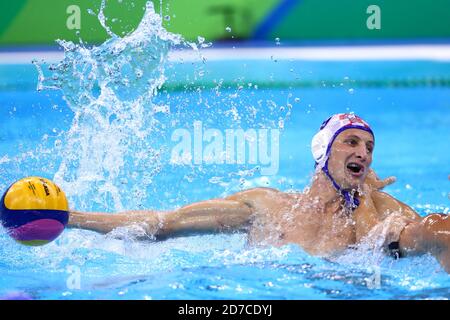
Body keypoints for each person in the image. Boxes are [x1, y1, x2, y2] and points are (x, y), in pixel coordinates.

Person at [68, 113, 450, 273]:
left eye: (369, 148)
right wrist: (71, 218)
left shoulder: (376, 205)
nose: (363, 153)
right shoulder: (267, 205)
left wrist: (367, 199)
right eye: (351, 142)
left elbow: (424, 236)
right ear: (323, 151)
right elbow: (166, 223)